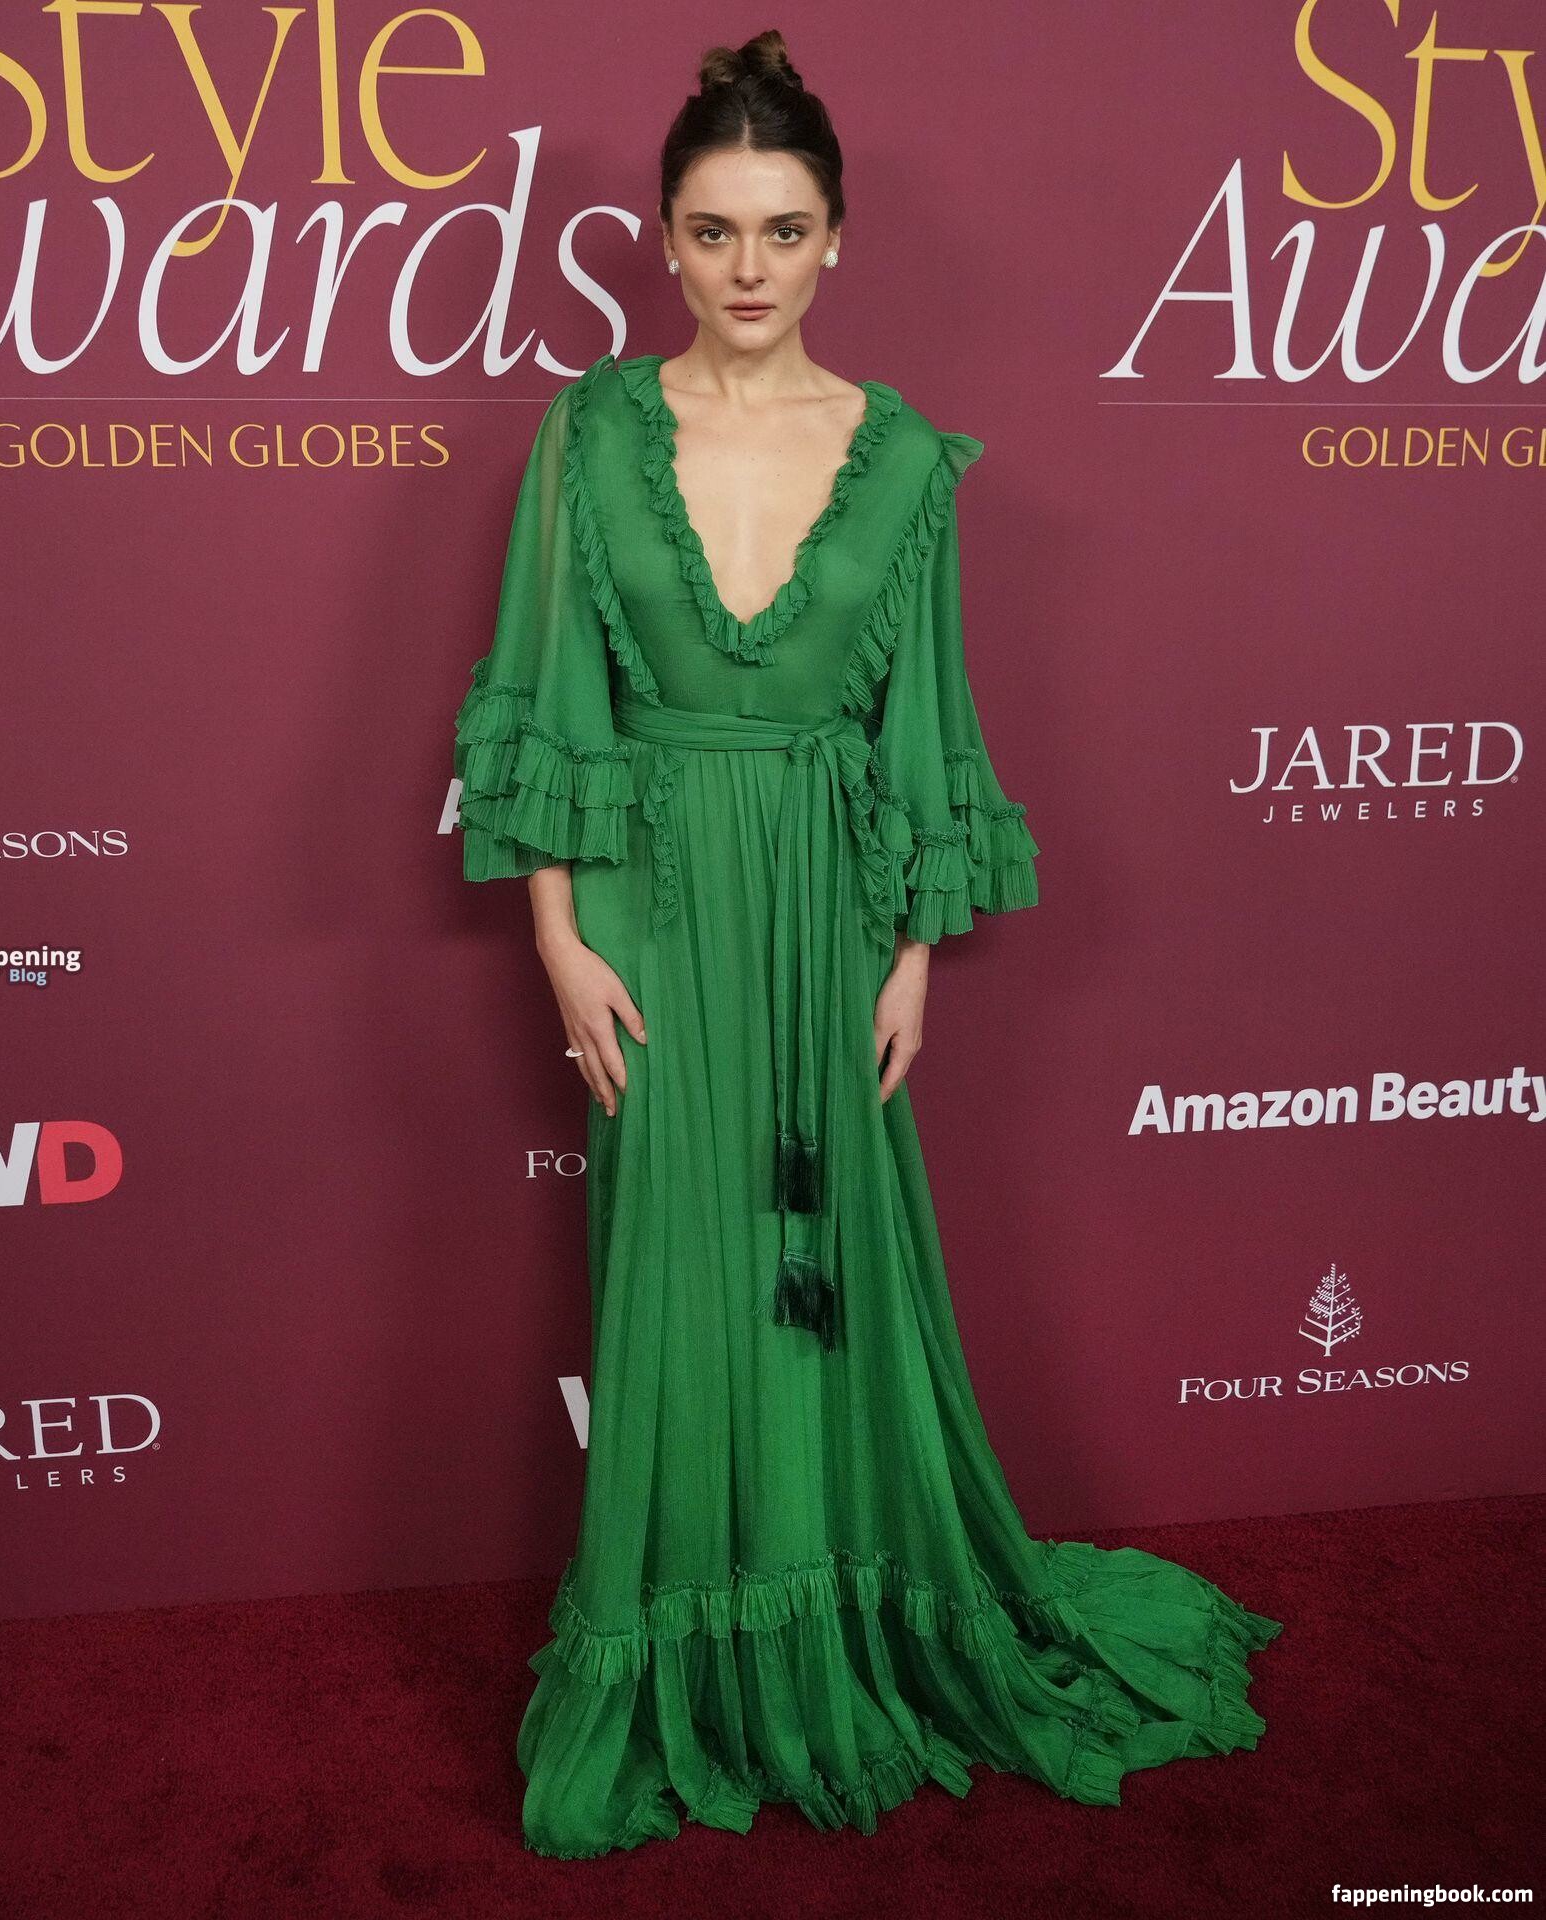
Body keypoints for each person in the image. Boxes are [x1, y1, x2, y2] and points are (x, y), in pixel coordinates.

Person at [452, 29, 1281, 1861]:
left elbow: (924, 722)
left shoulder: (904, 460)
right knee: (682, 1276)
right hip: (651, 901)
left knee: (813, 1259)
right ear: (664, 240)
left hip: (829, 913)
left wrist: (907, 949)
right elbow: (546, 688)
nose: (748, 267)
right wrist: (557, 935)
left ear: (839, 237)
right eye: (712, 229)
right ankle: (695, 1658)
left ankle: (841, 1620)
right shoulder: (588, 432)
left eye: (784, 229)